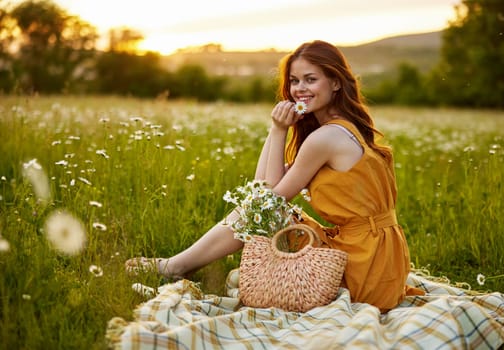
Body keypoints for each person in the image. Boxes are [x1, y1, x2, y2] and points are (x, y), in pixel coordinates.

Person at [126, 40, 424, 312]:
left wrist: (279, 130)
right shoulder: (343, 126)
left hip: (367, 264)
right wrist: (276, 130)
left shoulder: (326, 138)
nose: (299, 89)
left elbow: (268, 198)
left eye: (311, 79)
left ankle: (176, 266)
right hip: (379, 254)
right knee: (263, 211)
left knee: (264, 211)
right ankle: (178, 266)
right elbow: (263, 190)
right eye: (294, 81)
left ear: (335, 82)